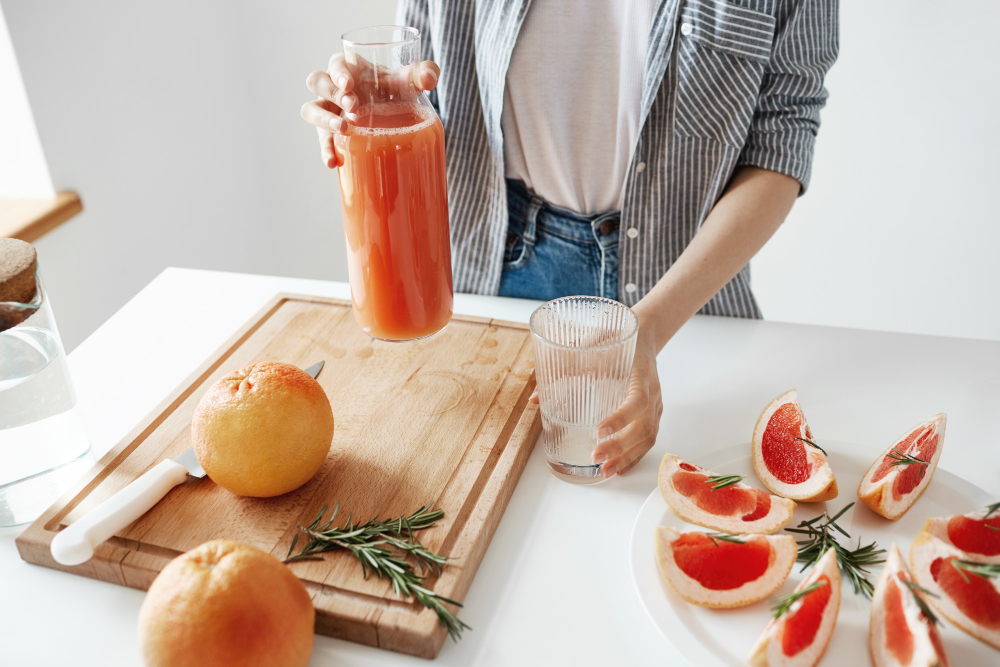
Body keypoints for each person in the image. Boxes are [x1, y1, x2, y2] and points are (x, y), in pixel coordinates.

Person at [301, 1, 839, 479]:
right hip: (501, 276)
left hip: (687, 297)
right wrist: (372, 96)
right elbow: (421, 81)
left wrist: (645, 332)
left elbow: (781, 141)